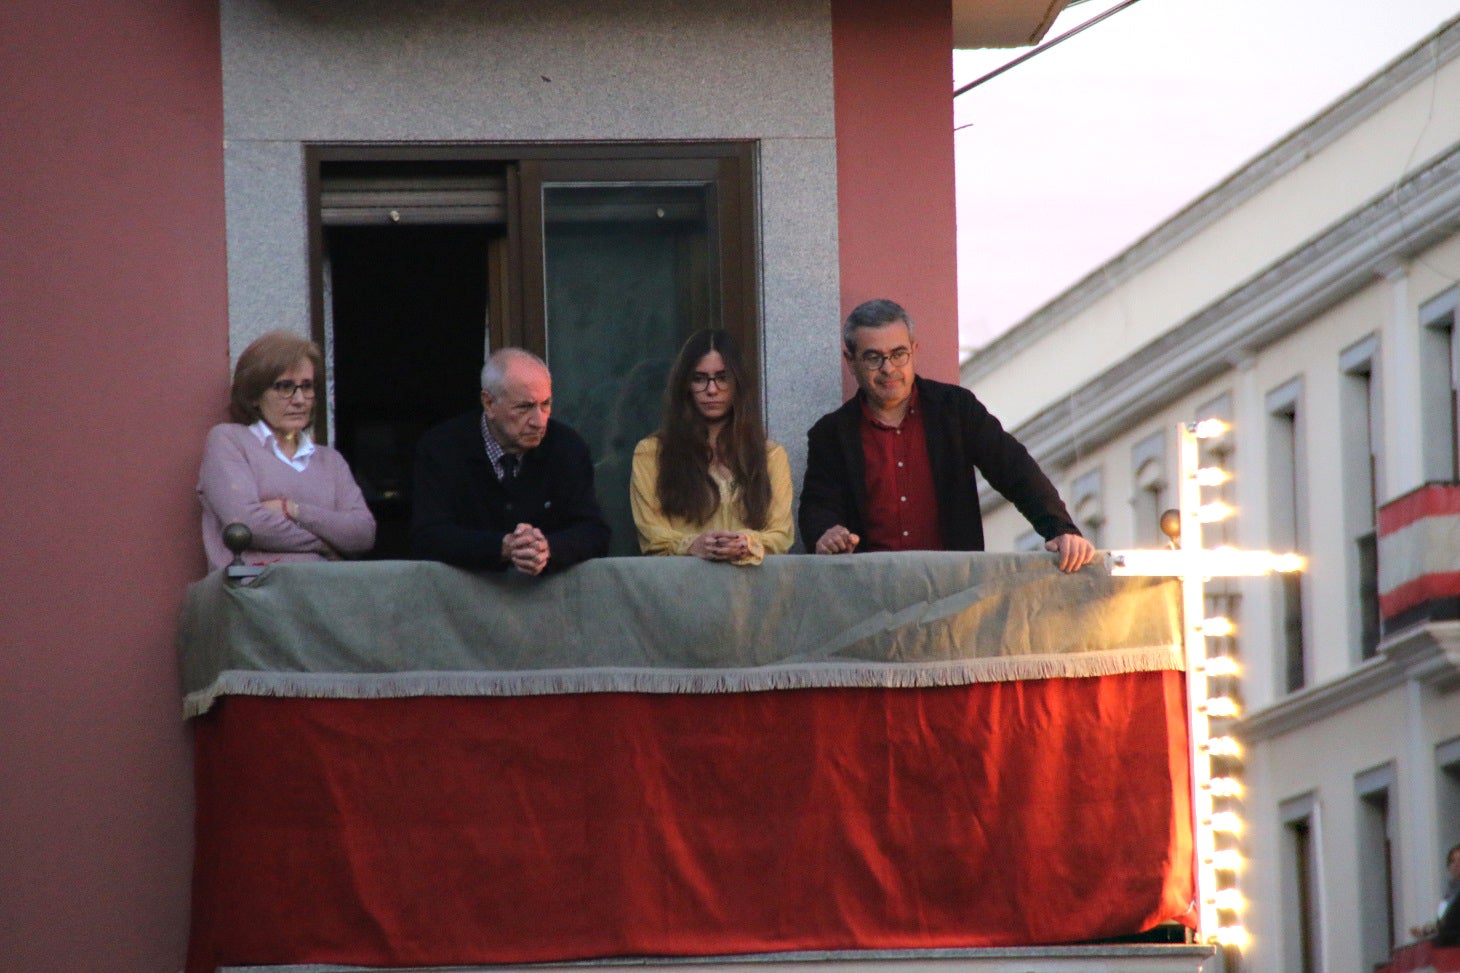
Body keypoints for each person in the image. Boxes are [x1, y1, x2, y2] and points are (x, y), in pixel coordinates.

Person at [799, 298, 1095, 573]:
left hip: (952, 590)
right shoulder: (831, 434)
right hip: (870, 596)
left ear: (914, 350)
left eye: (898, 354)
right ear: (850, 361)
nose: (888, 368)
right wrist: (825, 533)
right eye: (873, 358)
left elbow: (1014, 469)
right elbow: (817, 506)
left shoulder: (956, 409)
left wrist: (1061, 529)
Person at [411, 347, 610, 574]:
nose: (539, 421)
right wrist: (502, 547)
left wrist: (548, 549)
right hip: (463, 601)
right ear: (489, 403)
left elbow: (595, 532)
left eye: (545, 404)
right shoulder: (442, 448)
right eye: (525, 407)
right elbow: (428, 536)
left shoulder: (567, 447)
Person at [197, 331, 376, 570]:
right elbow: (247, 524)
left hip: (327, 595)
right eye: (285, 387)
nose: (300, 399)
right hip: (258, 595)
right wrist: (323, 545)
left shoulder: (330, 460)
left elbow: (362, 534)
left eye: (307, 386)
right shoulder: (230, 440)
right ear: (253, 396)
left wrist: (292, 509)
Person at [630, 330, 793, 564]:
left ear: (737, 382)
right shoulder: (652, 453)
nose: (712, 390)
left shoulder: (770, 455)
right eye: (699, 378)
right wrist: (691, 545)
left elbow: (781, 535)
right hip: (682, 588)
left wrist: (744, 543)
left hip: (748, 591)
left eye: (722, 377)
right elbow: (651, 534)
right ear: (685, 385)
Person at [1411, 844, 1460, 944]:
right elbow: (1442, 921)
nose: (1456, 864)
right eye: (1452, 861)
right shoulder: (1449, 893)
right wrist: (1427, 930)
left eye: (1459, 860)